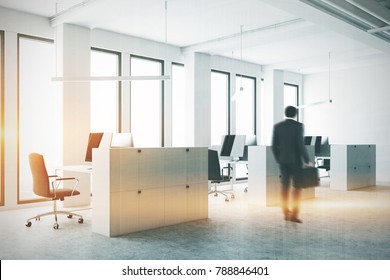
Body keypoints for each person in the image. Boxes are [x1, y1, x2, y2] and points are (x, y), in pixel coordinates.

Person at [271, 106, 312, 223]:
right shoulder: (298, 126)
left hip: (283, 162)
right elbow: (300, 145)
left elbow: (274, 146)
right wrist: (307, 160)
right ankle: (294, 215)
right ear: (295, 114)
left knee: (284, 187)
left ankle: (285, 213)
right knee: (297, 188)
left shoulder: (278, 126)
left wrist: (279, 159)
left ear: (285, 113)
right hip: (296, 162)